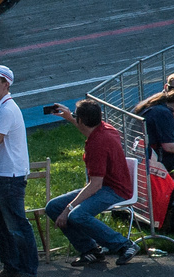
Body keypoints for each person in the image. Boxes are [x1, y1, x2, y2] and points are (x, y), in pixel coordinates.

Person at [44, 100, 138, 266]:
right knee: (52, 207)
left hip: (115, 190)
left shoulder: (97, 145)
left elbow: (95, 185)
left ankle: (124, 244)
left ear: (81, 120)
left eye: (76, 116)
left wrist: (68, 209)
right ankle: (90, 250)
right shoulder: (105, 128)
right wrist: (70, 118)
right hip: (107, 185)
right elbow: (87, 128)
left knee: (77, 215)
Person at [0, 65, 39, 277]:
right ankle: (11, 266)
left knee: (17, 224)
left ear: (6, 85)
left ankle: (28, 270)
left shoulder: (7, 110)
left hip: (10, 176)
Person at [137, 89, 174, 171]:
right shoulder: (164, 113)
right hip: (153, 157)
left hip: (145, 154)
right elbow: (169, 147)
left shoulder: (156, 106)